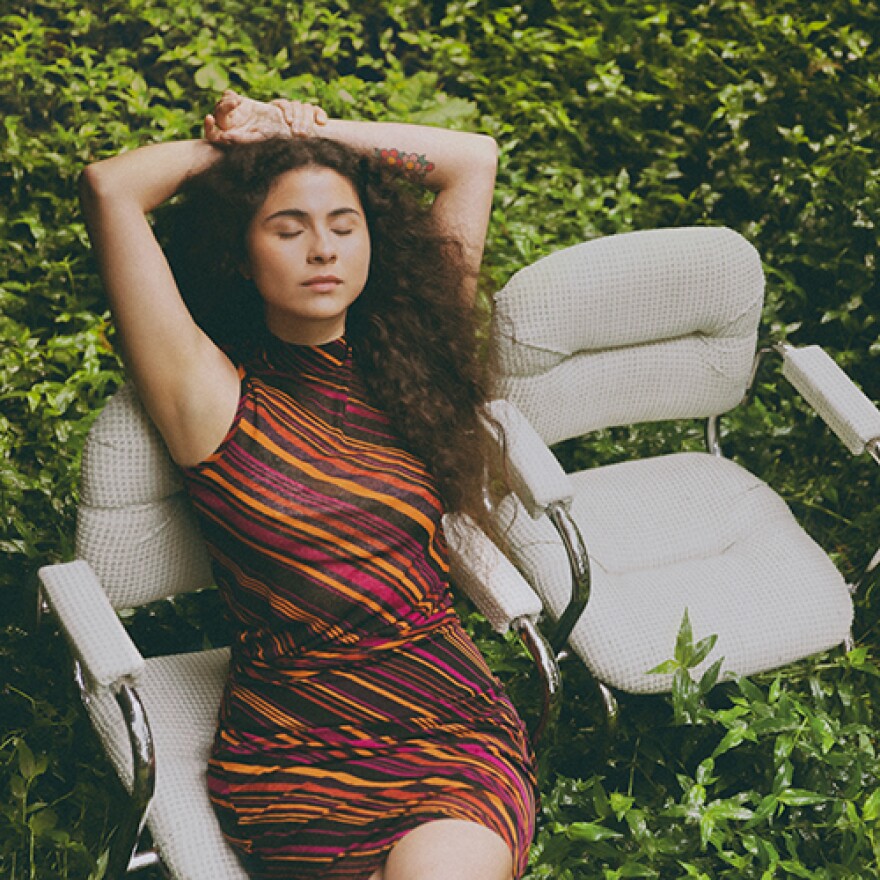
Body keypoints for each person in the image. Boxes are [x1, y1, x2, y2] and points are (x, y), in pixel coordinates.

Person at [78, 89, 536, 880]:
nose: (322, 248)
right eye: (287, 228)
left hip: (446, 717)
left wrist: (309, 135)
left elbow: (473, 159)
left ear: (372, 241)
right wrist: (242, 150)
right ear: (240, 250)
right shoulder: (208, 394)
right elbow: (110, 187)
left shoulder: (409, 364)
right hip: (298, 743)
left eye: (343, 225)